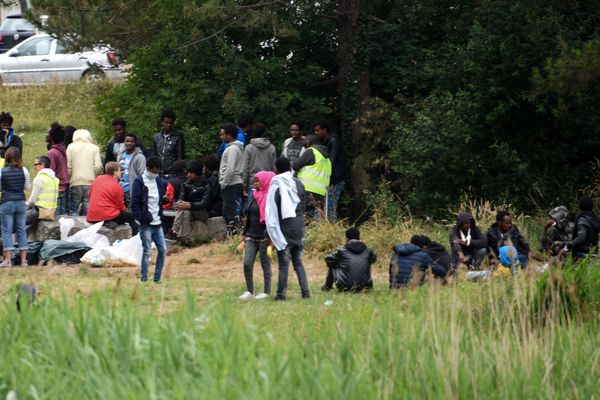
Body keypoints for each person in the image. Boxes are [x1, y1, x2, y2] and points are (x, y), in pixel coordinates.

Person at [265, 157, 310, 300]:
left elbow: (273, 211)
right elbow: (303, 205)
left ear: (276, 169)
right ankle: (306, 292)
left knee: (283, 264)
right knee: (298, 262)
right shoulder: (299, 183)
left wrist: (271, 233)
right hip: (299, 226)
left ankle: (280, 294)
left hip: (285, 228)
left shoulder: (277, 185)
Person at [239, 171, 276, 300]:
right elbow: (249, 216)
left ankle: (266, 292)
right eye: (254, 181)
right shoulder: (254, 195)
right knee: (247, 263)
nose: (255, 183)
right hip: (251, 236)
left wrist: (271, 238)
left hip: (264, 238)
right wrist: (244, 233)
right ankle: (249, 290)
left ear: (265, 181)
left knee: (265, 264)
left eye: (257, 181)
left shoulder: (271, 199)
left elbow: (273, 221)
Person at [131, 156, 168, 283]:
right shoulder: (139, 182)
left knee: (162, 250)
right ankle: (144, 279)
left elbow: (158, 199)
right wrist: (141, 220)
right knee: (147, 251)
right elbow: (134, 204)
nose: (158, 172)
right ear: (151, 168)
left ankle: (157, 278)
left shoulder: (158, 181)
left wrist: (164, 200)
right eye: (157, 170)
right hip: (146, 224)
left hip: (157, 222)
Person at [87, 161, 137, 235]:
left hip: (91, 215)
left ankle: (107, 222)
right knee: (132, 217)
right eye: (119, 170)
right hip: (107, 214)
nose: (121, 172)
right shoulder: (117, 186)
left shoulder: (97, 179)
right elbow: (119, 206)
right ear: (115, 172)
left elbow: (89, 194)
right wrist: (126, 210)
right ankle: (134, 238)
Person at [0, 147, 30, 267]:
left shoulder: (2, 171)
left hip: (7, 202)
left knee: (7, 231)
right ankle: (24, 261)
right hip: (21, 202)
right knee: (22, 230)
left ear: (6, 157)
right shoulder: (25, 170)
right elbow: (27, 187)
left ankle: (8, 260)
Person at [322, 227, 376, 292]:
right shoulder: (368, 251)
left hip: (345, 286)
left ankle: (327, 286)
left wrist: (340, 263)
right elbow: (373, 259)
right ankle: (364, 285)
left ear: (347, 238)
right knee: (367, 262)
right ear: (359, 237)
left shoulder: (342, 250)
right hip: (365, 286)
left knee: (333, 263)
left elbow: (328, 259)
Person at [173, 160, 211, 246]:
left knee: (186, 210)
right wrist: (179, 203)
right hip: (188, 210)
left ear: (197, 172)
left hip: (202, 212)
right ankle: (185, 239)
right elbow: (181, 196)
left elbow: (205, 203)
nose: (188, 175)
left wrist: (190, 205)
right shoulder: (186, 182)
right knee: (185, 212)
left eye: (190, 173)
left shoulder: (207, 184)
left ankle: (174, 231)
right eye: (187, 172)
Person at [314, 120, 346, 222]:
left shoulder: (333, 141)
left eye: (318, 130)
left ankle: (331, 229)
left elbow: (331, 161)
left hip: (334, 180)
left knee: (330, 208)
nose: (316, 133)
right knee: (328, 206)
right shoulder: (328, 141)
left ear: (325, 130)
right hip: (331, 179)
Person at [293, 134, 331, 218]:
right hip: (321, 191)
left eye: (304, 144)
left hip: (307, 190)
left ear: (308, 142)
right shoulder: (326, 157)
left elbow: (295, 165)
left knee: (304, 216)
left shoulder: (311, 151)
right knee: (312, 217)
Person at [67, 129, 102, 216]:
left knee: (73, 208)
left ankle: (74, 228)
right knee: (87, 208)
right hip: (90, 182)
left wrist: (69, 178)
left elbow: (68, 167)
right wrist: (93, 175)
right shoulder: (95, 148)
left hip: (75, 182)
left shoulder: (71, 147)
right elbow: (98, 166)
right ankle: (87, 227)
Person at [241, 122, 276, 206]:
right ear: (264, 133)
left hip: (253, 184)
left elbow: (245, 169)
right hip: (268, 185)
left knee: (252, 211)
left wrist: (245, 186)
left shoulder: (249, 148)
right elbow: (274, 169)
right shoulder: (272, 148)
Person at [219, 123, 244, 230]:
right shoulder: (232, 148)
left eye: (222, 134)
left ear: (229, 135)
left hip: (231, 184)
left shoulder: (232, 149)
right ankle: (233, 232)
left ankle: (234, 234)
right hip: (232, 183)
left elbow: (230, 168)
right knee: (229, 211)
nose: (221, 137)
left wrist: (224, 183)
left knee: (231, 212)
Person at [26, 155, 59, 226]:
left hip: (40, 212)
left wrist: (27, 204)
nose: (35, 167)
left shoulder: (39, 178)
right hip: (52, 212)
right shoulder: (55, 179)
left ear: (42, 165)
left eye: (36, 164)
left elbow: (32, 200)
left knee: (16, 220)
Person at [151, 110, 185, 178]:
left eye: (170, 123)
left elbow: (180, 157)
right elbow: (154, 155)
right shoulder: (156, 138)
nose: (168, 125)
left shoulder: (177, 137)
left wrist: (177, 172)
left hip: (172, 174)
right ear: (162, 122)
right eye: (166, 123)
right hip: (158, 174)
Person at [117, 133, 146, 206]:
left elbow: (142, 175)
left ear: (135, 143)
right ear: (124, 142)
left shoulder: (140, 157)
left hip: (132, 190)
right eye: (127, 141)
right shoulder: (120, 155)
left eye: (131, 141)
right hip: (119, 190)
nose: (129, 143)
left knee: (131, 214)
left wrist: (139, 191)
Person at [46, 122, 69, 215]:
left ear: (52, 137)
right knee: (63, 216)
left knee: (57, 218)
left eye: (48, 133)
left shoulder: (52, 152)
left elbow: (51, 172)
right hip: (64, 186)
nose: (46, 135)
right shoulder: (62, 149)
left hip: (57, 188)